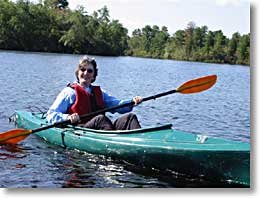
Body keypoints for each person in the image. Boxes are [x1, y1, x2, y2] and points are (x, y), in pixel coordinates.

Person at [46, 55, 143, 130]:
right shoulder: (69, 92)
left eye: (89, 71)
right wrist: (67, 117)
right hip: (81, 129)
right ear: (78, 73)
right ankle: (114, 143)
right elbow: (51, 114)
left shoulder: (100, 93)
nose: (85, 73)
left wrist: (132, 102)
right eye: (82, 70)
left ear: (94, 75)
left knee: (130, 118)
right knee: (100, 119)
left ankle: (142, 140)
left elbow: (117, 104)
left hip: (100, 128)